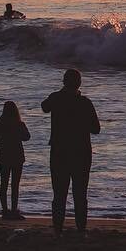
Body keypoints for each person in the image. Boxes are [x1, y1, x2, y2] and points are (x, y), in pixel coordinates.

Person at [41, 68, 100, 234]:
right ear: (79, 83)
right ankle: (81, 229)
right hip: (81, 152)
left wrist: (60, 93)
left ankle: (58, 230)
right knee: (80, 193)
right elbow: (96, 129)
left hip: (59, 151)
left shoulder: (56, 98)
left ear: (64, 82)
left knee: (59, 193)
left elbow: (44, 107)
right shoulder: (85, 103)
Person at [0, 100, 31, 220]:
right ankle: (13, 210)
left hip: (3, 157)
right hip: (17, 157)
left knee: (4, 184)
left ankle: (5, 210)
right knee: (15, 185)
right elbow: (27, 137)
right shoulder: (19, 124)